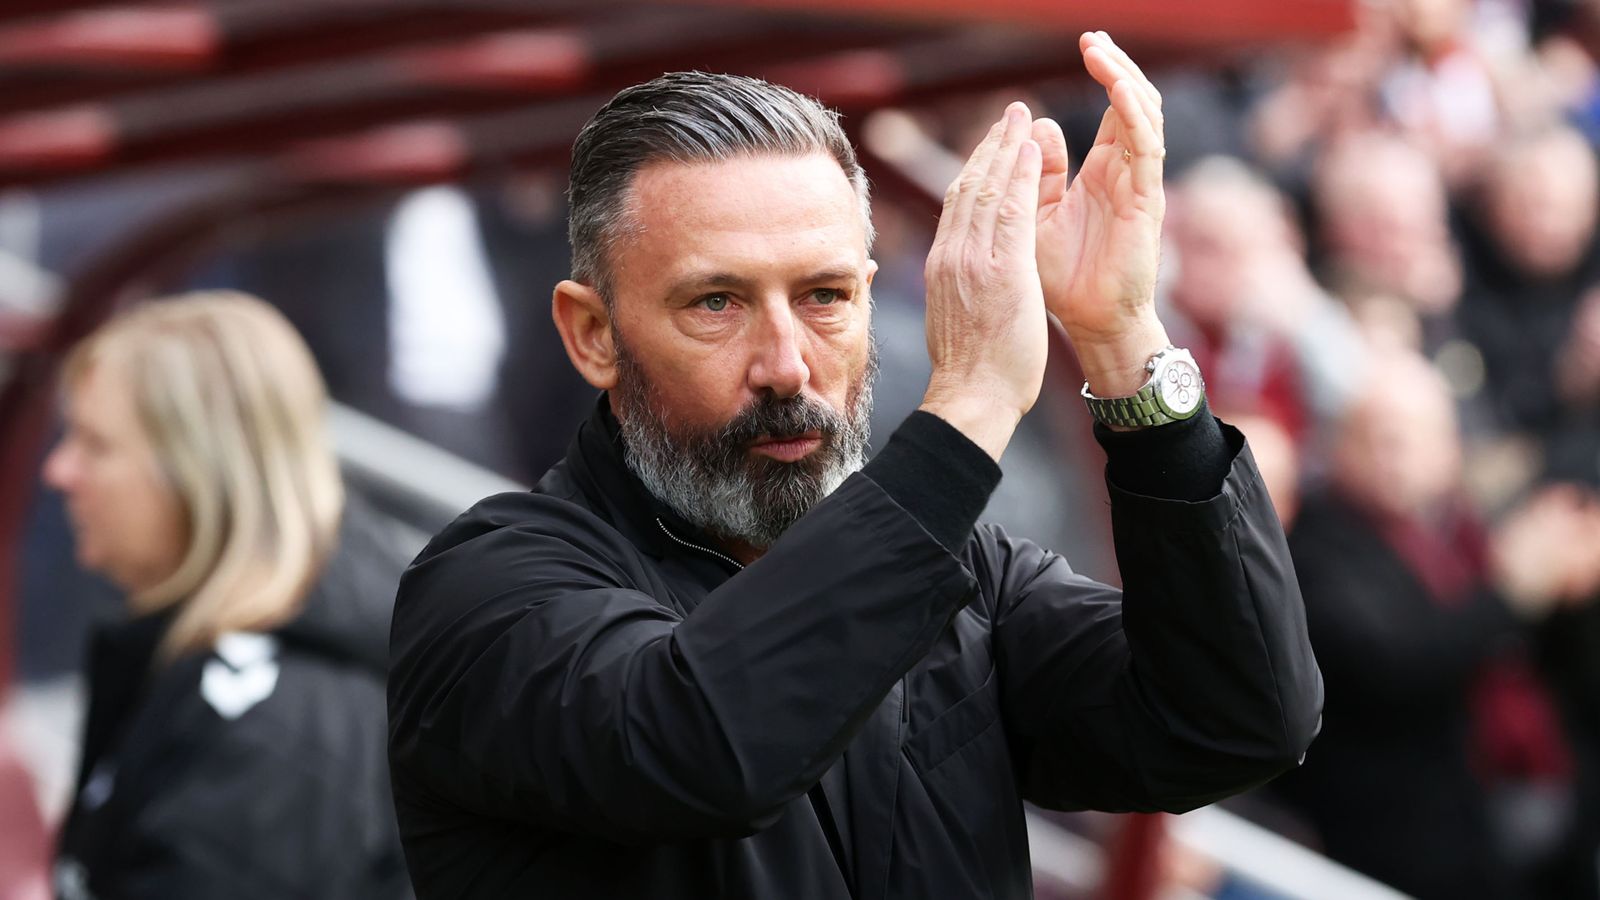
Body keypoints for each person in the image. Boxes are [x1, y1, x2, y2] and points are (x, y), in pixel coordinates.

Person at [387, 32, 1323, 899]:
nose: (787, 365)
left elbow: (1238, 719)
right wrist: (970, 404)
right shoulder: (486, 589)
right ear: (593, 334)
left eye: (825, 296)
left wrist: (1121, 340)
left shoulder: (968, 577)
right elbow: (706, 745)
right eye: (716, 304)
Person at [42, 292, 412, 899]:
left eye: (95, 444)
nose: (59, 471)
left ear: (199, 472)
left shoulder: (276, 735)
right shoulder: (229, 651)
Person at [1277, 350, 1600, 899]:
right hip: (1384, 837)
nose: (1393, 455)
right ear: (1337, 445)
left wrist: (1564, 580)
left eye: (1411, 437)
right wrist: (1510, 590)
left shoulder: (1458, 530)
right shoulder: (1316, 544)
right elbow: (1393, 662)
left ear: (1449, 450)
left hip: (1499, 802)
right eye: (1376, 435)